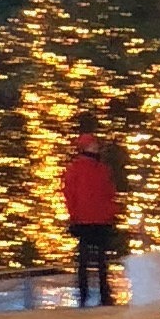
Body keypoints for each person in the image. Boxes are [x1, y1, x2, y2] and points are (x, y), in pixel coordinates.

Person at [61, 126, 124, 308]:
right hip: (98, 220)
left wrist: (74, 216)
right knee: (100, 261)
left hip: (86, 220)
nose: (96, 147)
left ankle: (85, 295)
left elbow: (70, 194)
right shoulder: (100, 169)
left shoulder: (76, 169)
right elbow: (109, 193)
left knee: (85, 260)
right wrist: (112, 212)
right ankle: (103, 295)